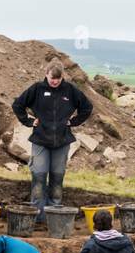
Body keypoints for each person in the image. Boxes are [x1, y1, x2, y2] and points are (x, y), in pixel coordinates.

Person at [12, 62, 92, 223]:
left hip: (62, 141)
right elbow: (18, 105)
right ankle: (36, 216)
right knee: (39, 176)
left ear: (62, 76)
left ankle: (53, 216)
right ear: (46, 74)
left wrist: (74, 122)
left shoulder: (70, 90)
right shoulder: (37, 89)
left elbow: (87, 107)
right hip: (41, 140)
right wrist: (28, 121)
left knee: (57, 178)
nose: (55, 81)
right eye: (52, 78)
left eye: (58, 78)